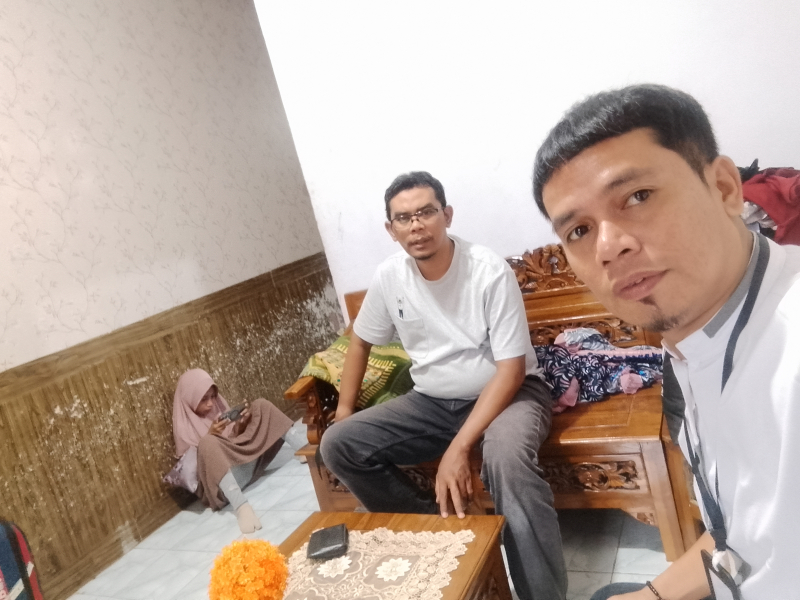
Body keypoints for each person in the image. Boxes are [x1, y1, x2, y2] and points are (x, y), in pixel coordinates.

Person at [532, 84, 800, 599]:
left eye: (637, 197)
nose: (609, 246)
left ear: (724, 187)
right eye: (579, 231)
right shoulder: (691, 344)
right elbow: (741, 537)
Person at [319, 171, 567, 600]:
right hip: (432, 402)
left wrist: (459, 447)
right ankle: (443, 533)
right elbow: (359, 341)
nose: (416, 225)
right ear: (391, 229)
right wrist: (344, 412)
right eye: (403, 218)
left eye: (426, 212)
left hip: (510, 394)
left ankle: (541, 595)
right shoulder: (390, 276)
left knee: (506, 462)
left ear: (447, 215)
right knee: (338, 444)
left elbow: (510, 370)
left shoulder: (488, 270)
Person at [172, 368, 293, 533]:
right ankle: (243, 508)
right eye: (204, 399)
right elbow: (197, 472)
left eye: (213, 396)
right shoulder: (184, 429)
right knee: (208, 442)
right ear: (189, 399)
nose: (211, 403)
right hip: (222, 489)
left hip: (244, 466)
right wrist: (210, 435)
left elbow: (231, 445)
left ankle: (306, 450)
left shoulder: (216, 409)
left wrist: (240, 426)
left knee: (260, 405)